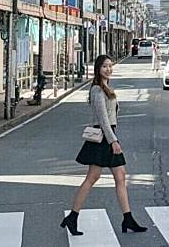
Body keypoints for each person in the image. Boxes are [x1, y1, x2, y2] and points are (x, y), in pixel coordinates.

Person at [60, 54, 147, 236]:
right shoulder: (97, 90)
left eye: (110, 66)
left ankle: (127, 218)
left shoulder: (107, 87)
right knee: (93, 178)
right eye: (104, 66)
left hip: (108, 136)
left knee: (119, 176)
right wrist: (113, 141)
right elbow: (103, 119)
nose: (108, 69)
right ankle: (73, 217)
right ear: (98, 69)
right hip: (104, 138)